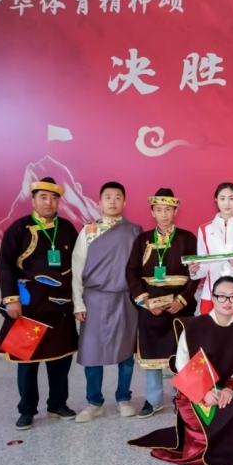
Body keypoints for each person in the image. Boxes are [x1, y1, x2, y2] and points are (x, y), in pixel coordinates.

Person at [129, 276, 233, 465]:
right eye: (222, 296)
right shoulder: (193, 326)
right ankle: (221, 447)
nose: (227, 301)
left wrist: (229, 389)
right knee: (223, 414)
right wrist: (204, 391)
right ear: (213, 298)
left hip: (226, 388)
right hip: (194, 390)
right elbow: (182, 364)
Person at [0, 177, 80, 430]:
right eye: (43, 197)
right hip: (29, 309)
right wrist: (11, 299)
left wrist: (79, 302)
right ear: (32, 200)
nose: (49, 202)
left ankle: (57, 404)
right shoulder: (19, 229)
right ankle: (27, 409)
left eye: (54, 198)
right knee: (27, 364)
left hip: (60, 309)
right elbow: (5, 265)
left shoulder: (67, 228)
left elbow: (78, 265)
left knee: (60, 361)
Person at [72, 181, 143, 423]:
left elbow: (140, 268)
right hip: (94, 299)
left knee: (126, 352)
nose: (113, 201)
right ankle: (94, 403)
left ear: (125, 201)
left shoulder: (135, 231)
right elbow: (77, 268)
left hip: (125, 298)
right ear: (99, 202)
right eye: (108, 197)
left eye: (117, 197)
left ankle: (124, 398)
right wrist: (78, 304)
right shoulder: (88, 231)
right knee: (92, 352)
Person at [126, 188, 198, 419]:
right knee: (152, 354)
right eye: (159, 210)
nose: (164, 214)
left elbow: (196, 273)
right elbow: (132, 272)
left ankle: (181, 398)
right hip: (151, 305)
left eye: (168, 209)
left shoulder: (188, 238)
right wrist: (146, 301)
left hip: (180, 306)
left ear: (175, 211)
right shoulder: (142, 240)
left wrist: (182, 300)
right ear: (152, 212)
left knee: (182, 353)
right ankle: (153, 400)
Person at [189, 182, 233, 322]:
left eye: (231, 198)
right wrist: (194, 270)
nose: (227, 203)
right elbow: (204, 266)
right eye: (222, 198)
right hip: (210, 295)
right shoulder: (204, 230)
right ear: (216, 200)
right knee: (209, 334)